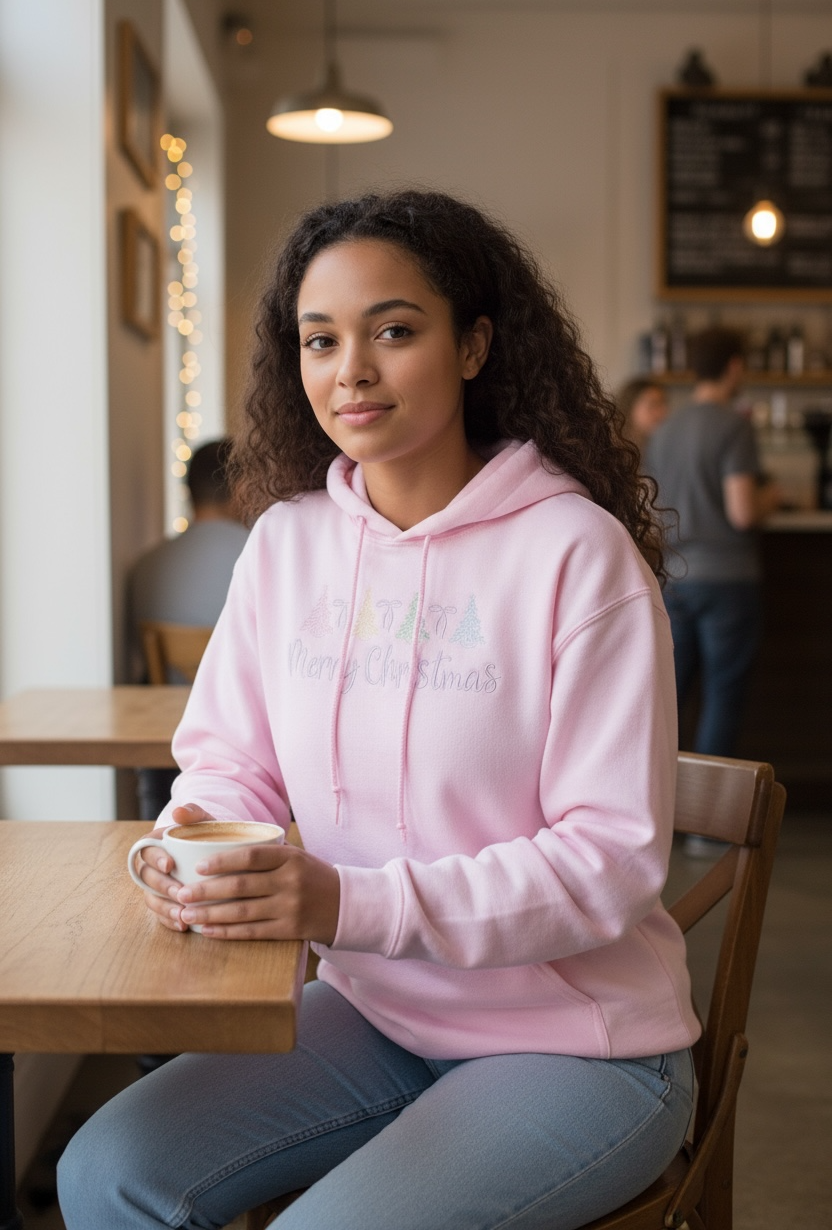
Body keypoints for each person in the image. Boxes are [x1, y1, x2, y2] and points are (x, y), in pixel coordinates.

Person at [59, 189, 698, 1230]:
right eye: (320, 339)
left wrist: (344, 907)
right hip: (377, 1011)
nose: (350, 369)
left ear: (474, 345)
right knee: (105, 1173)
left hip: (578, 1043)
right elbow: (229, 760)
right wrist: (197, 840)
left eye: (393, 331)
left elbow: (609, 860)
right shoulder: (288, 544)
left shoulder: (577, 557)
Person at [644, 328, 781, 850]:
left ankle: (654, 820)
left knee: (669, 700)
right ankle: (705, 831)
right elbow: (743, 509)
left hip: (675, 577)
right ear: (735, 367)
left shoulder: (667, 429)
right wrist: (774, 497)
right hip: (727, 578)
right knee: (722, 697)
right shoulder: (734, 425)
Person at [128, 438, 249, 821]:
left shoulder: (146, 567)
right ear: (243, 488)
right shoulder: (263, 558)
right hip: (243, 747)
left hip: (162, 754)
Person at [615, 375, 669, 454]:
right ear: (629, 407)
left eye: (663, 404)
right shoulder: (614, 450)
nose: (663, 412)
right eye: (653, 405)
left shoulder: (663, 447)